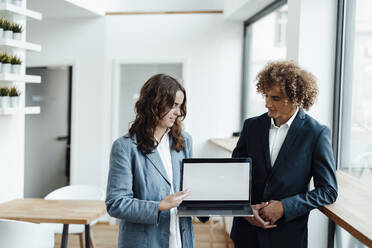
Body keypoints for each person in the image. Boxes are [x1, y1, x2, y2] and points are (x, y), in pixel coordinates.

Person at [231, 61, 338, 248]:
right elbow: (233, 177)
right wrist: (245, 211)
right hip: (247, 234)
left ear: (296, 98)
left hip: (287, 237)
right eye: (266, 96)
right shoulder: (251, 127)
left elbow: (328, 191)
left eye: (276, 98)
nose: (267, 103)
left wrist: (285, 207)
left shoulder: (316, 133)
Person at [106, 74, 195, 248]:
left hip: (181, 238)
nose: (178, 112)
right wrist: (159, 206)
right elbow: (115, 203)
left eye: (180, 106)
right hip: (144, 241)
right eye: (173, 105)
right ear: (155, 104)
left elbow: (189, 189)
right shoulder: (125, 147)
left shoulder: (185, 141)